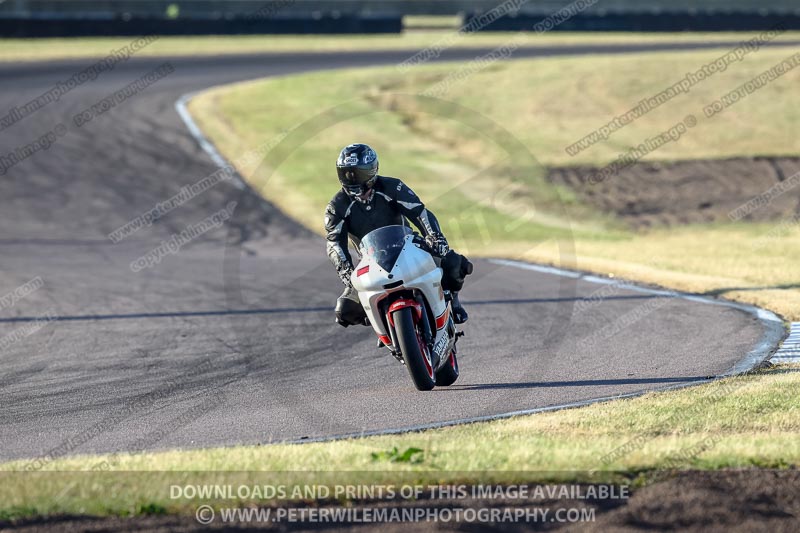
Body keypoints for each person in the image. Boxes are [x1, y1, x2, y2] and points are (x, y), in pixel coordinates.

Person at [325, 143, 473, 328]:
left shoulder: (392, 186)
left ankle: (454, 301)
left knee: (455, 263)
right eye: (346, 173)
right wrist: (346, 271)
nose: (352, 178)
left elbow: (420, 213)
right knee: (345, 310)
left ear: (372, 170)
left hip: (408, 245)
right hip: (371, 261)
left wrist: (435, 237)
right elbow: (334, 243)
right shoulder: (336, 206)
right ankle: (388, 325)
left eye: (357, 173)